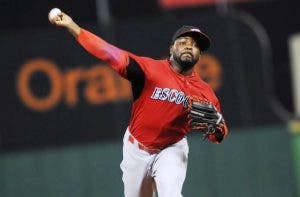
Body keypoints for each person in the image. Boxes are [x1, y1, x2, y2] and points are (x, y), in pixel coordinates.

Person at [49, 10, 228, 197]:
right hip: (136, 149)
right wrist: (73, 27)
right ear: (171, 49)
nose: (188, 47)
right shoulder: (150, 70)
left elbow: (219, 134)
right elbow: (108, 52)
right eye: (183, 43)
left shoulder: (205, 92)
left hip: (172, 149)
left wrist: (218, 128)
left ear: (199, 54)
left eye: (194, 45)